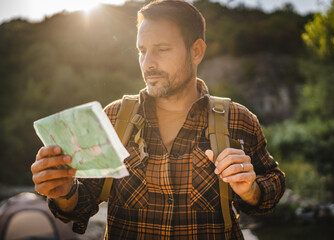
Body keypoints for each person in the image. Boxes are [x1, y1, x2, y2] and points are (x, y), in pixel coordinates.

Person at [31, 0, 285, 239]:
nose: (147, 63)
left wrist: (250, 190)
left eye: (162, 49)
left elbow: (272, 186)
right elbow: (81, 204)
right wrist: (64, 191)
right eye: (142, 51)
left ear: (196, 51)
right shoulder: (113, 117)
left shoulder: (237, 119)